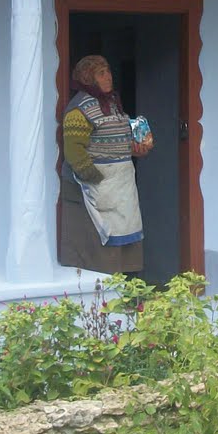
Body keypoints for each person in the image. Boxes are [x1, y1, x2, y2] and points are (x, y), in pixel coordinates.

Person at [57, 54, 153, 274]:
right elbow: (74, 151)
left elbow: (116, 141)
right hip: (96, 188)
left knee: (124, 240)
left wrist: (136, 149)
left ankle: (124, 294)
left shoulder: (112, 104)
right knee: (100, 249)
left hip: (121, 187)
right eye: (101, 73)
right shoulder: (79, 110)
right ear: (88, 78)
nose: (108, 76)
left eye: (108, 71)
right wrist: (96, 180)